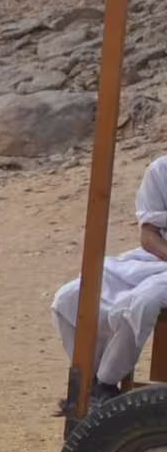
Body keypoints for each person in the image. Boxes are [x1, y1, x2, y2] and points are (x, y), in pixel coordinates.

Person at [53, 154, 167, 401]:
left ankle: (105, 382)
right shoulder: (161, 170)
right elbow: (149, 237)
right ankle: (89, 383)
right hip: (155, 260)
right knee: (71, 296)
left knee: (143, 303)